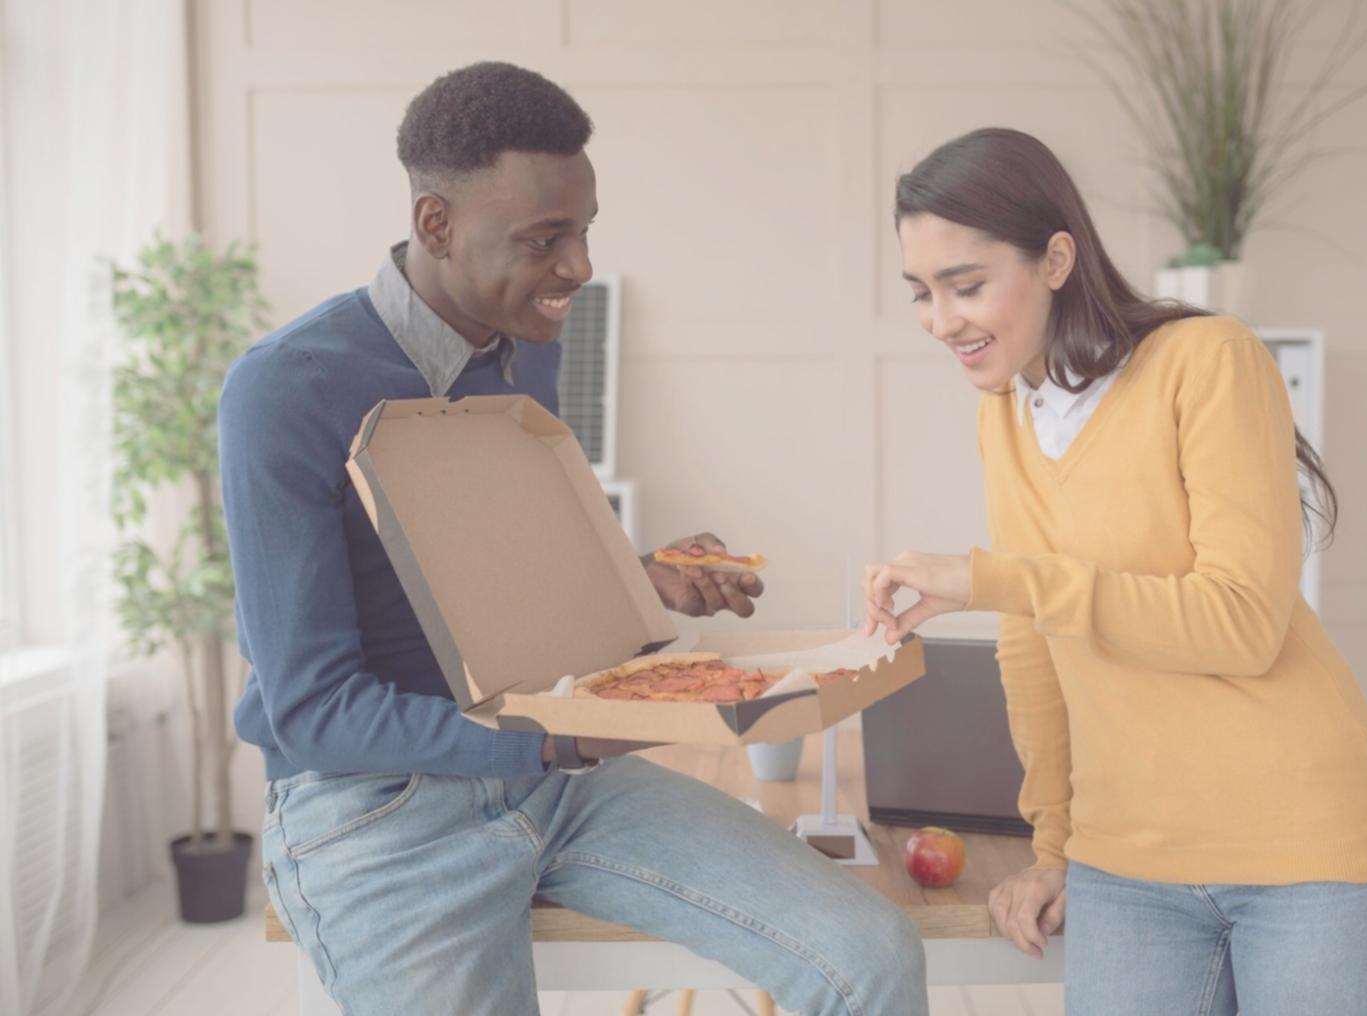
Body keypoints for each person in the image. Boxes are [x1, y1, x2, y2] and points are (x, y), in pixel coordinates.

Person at [220, 62, 926, 1016]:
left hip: (556, 783)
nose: (580, 267)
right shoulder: (285, 388)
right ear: (437, 224)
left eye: (584, 230)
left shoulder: (524, 356)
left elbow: (504, 589)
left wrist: (639, 582)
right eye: (544, 239)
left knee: (872, 953)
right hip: (380, 814)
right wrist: (546, 742)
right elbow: (311, 710)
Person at [862, 127, 1367, 1016]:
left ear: (1056, 258)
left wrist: (995, 580)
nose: (942, 321)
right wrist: (1052, 843)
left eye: (966, 286)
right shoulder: (1006, 415)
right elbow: (1034, 650)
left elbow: (1242, 622)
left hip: (1307, 853)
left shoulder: (1207, 362)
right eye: (921, 294)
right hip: (1127, 868)